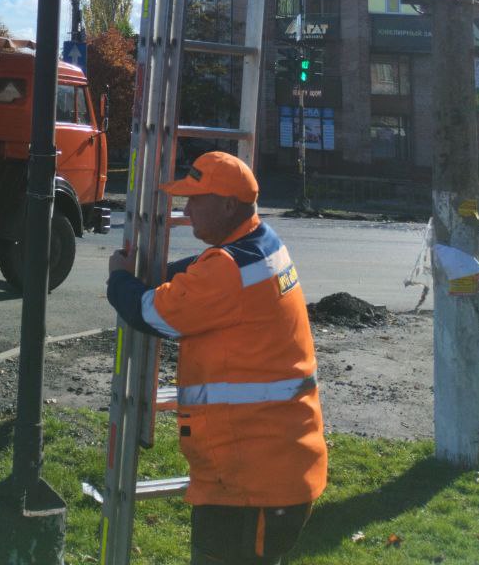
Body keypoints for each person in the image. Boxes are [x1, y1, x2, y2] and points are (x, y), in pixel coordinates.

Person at [106, 151, 327, 565]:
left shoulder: (227, 270)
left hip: (250, 480)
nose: (185, 211)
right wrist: (167, 273)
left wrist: (119, 278)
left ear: (228, 205)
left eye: (195, 200)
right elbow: (203, 273)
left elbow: (149, 312)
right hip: (268, 465)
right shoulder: (261, 243)